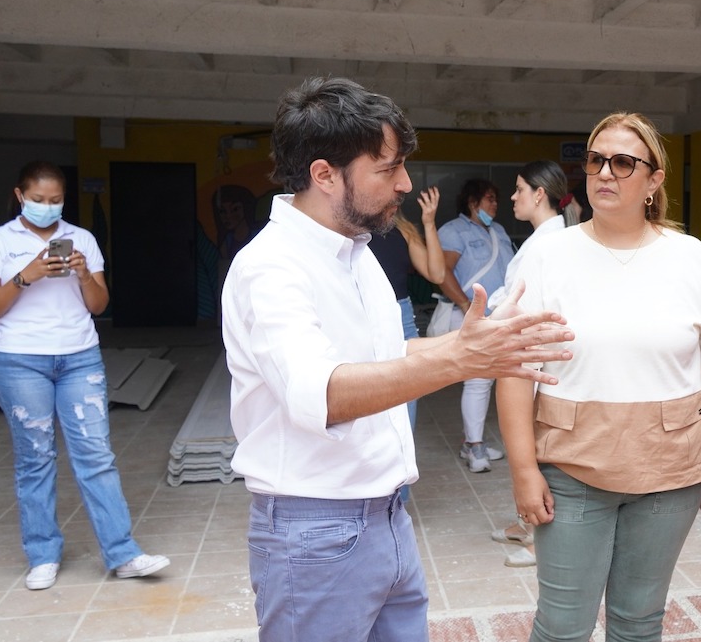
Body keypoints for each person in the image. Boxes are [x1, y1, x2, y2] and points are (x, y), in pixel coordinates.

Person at [221, 76, 573, 642]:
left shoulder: (357, 254)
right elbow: (326, 394)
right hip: (318, 529)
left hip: (386, 517)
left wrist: (486, 348)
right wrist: (458, 358)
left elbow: (389, 355)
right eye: (388, 169)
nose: (406, 184)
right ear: (323, 174)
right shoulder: (271, 267)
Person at [496, 112, 701, 642]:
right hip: (570, 466)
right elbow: (516, 369)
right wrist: (522, 469)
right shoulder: (551, 254)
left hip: (671, 474)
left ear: (654, 181)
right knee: (562, 626)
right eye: (595, 160)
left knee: (638, 622)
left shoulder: (689, 256)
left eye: (623, 162)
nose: (605, 172)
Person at [0, 160, 170, 591]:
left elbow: (98, 304)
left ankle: (123, 553)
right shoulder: (1, 241)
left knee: (96, 457)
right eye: (38, 200)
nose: (47, 207)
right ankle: (42, 554)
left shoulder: (83, 240)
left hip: (79, 359)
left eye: (55, 200)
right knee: (35, 460)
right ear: (20, 196)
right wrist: (26, 275)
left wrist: (80, 273)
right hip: (20, 360)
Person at [487, 159, 579, 567]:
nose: (513, 197)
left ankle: (542, 538)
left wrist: (492, 314)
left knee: (538, 450)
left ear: (539, 194)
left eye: (519, 188)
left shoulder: (549, 244)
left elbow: (517, 303)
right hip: (529, 351)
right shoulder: (547, 237)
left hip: (535, 357)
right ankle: (529, 524)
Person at [437, 179, 515, 473]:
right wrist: (463, 303)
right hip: (472, 314)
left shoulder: (499, 231)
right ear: (473, 203)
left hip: (499, 316)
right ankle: (474, 446)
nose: (495, 205)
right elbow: (442, 272)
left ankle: (472, 441)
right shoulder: (453, 231)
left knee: (488, 380)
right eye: (490, 199)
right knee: (479, 381)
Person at [369, 187, 445, 430]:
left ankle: (404, 461)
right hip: (364, 312)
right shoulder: (351, 232)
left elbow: (437, 273)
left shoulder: (403, 231)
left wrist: (429, 223)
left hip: (402, 315)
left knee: (408, 389)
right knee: (370, 388)